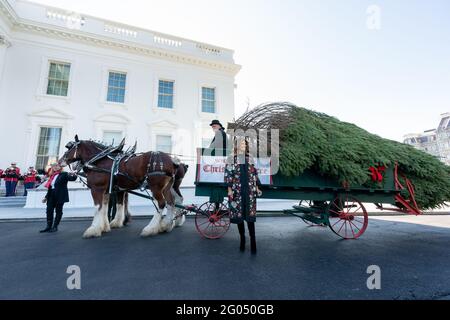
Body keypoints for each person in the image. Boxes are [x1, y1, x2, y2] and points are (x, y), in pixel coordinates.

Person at [225, 138, 262, 254]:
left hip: (250, 191)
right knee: (239, 216)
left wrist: (257, 187)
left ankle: (253, 241)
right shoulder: (232, 158)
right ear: (236, 145)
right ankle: (242, 239)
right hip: (237, 192)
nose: (243, 145)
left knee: (250, 217)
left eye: (245, 144)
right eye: (241, 144)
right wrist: (229, 189)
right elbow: (228, 174)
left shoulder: (249, 158)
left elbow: (254, 173)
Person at [40, 163, 77, 233]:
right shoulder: (52, 176)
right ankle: (48, 226)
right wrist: (46, 197)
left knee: (58, 211)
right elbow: (50, 188)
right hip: (51, 195)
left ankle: (55, 227)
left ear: (60, 167)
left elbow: (72, 179)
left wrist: (74, 174)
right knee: (49, 210)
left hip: (60, 195)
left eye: (57, 166)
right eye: (54, 166)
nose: (55, 167)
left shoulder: (64, 174)